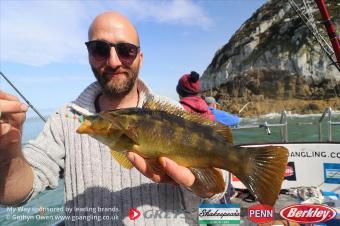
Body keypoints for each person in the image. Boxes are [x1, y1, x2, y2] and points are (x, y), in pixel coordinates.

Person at [0, 12, 227, 225]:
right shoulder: (65, 119)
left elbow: (219, 187)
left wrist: (205, 187)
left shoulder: (169, 110)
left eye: (125, 50)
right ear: (89, 55)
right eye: (100, 49)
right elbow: (16, 194)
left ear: (140, 57)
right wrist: (8, 148)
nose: (113, 61)